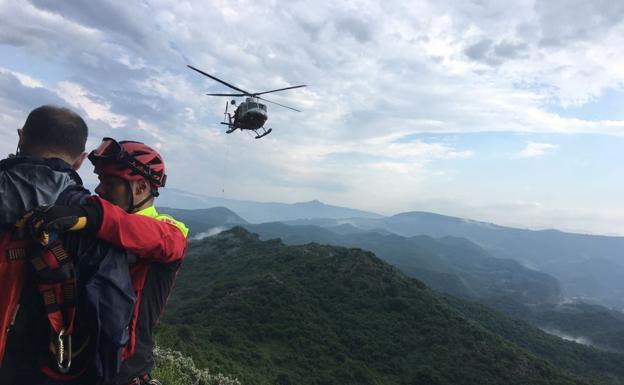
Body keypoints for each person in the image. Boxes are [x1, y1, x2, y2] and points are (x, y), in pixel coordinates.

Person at [0, 106, 188, 385]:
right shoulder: (88, 224)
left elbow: (162, 240)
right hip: (73, 363)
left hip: (125, 372)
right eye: (99, 180)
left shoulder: (168, 229)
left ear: (140, 189)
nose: (99, 190)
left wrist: (92, 214)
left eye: (110, 182)